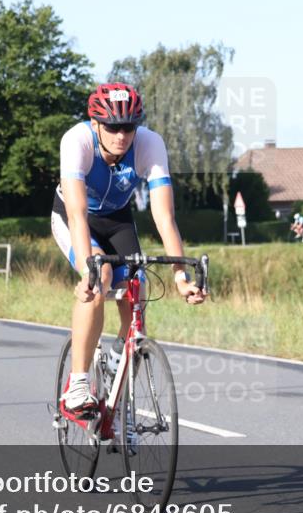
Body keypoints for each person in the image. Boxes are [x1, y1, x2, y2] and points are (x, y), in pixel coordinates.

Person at [51, 82, 206, 412]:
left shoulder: (150, 144)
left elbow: (164, 215)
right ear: (96, 124)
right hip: (74, 216)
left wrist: (180, 275)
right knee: (100, 276)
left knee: (137, 288)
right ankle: (77, 384)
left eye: (128, 127)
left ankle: (118, 373)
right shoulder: (76, 140)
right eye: (113, 127)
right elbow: (77, 216)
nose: (121, 135)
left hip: (118, 219)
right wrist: (87, 270)